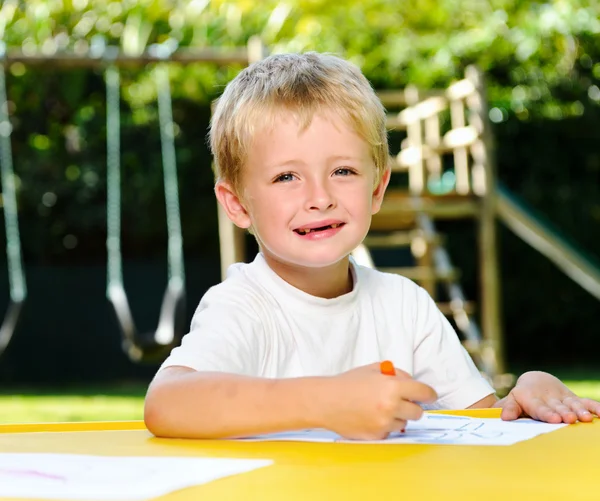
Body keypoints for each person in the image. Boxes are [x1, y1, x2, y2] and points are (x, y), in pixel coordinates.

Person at [144, 52, 600, 440]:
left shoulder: (407, 306)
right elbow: (166, 404)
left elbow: (475, 425)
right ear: (238, 205)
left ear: (377, 189)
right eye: (287, 176)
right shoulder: (243, 306)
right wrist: (326, 400)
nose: (319, 197)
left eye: (342, 171)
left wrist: (523, 398)